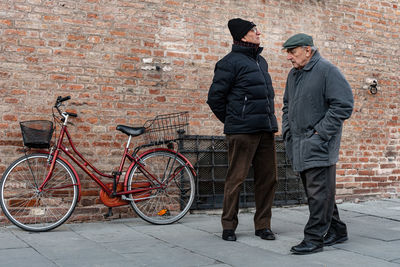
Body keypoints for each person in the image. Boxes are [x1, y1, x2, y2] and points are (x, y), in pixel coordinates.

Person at [281, 33, 354, 254]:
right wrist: (287, 132)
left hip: (318, 145)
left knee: (317, 194)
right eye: (288, 53)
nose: (289, 57)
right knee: (319, 193)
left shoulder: (326, 70)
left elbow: (344, 104)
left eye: (292, 52)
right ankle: (337, 230)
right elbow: (287, 106)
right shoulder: (294, 75)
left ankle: (313, 238)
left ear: (307, 50)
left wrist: (320, 134)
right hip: (299, 144)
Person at [207, 18, 278, 242]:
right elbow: (215, 98)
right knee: (235, 179)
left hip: (266, 129)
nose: (258, 33)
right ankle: (228, 226)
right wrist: (234, 120)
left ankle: (263, 225)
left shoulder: (261, 61)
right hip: (242, 131)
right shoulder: (229, 62)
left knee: (268, 178)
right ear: (242, 36)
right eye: (253, 30)